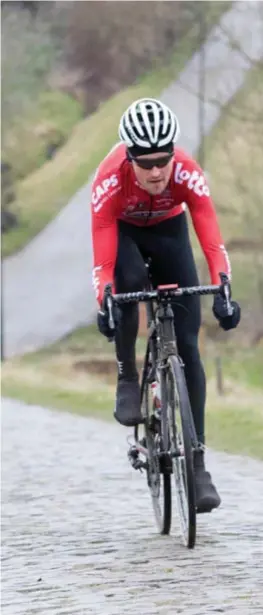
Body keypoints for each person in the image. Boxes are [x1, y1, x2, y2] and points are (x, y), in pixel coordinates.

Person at [91, 98, 241, 512]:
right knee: (131, 280)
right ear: (129, 157)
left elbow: (211, 238)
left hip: (169, 231)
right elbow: (103, 261)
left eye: (163, 160)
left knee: (189, 349)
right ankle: (127, 375)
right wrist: (104, 299)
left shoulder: (188, 174)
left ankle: (197, 467)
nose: (156, 171)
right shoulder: (110, 180)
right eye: (146, 162)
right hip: (124, 235)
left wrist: (223, 290)